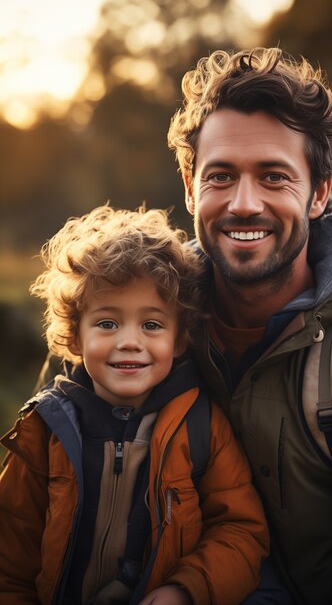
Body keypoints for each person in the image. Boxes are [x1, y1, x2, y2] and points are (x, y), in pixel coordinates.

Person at [167, 46, 332, 604]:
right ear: (190, 186)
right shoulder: (135, 323)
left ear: (320, 193)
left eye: (274, 177)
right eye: (221, 176)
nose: (244, 204)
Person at [0, 205, 272, 605]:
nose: (130, 341)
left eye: (152, 325)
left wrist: (185, 590)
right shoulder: (46, 429)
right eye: (108, 323)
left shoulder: (201, 425)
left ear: (179, 341)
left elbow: (241, 532)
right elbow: (10, 553)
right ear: (75, 338)